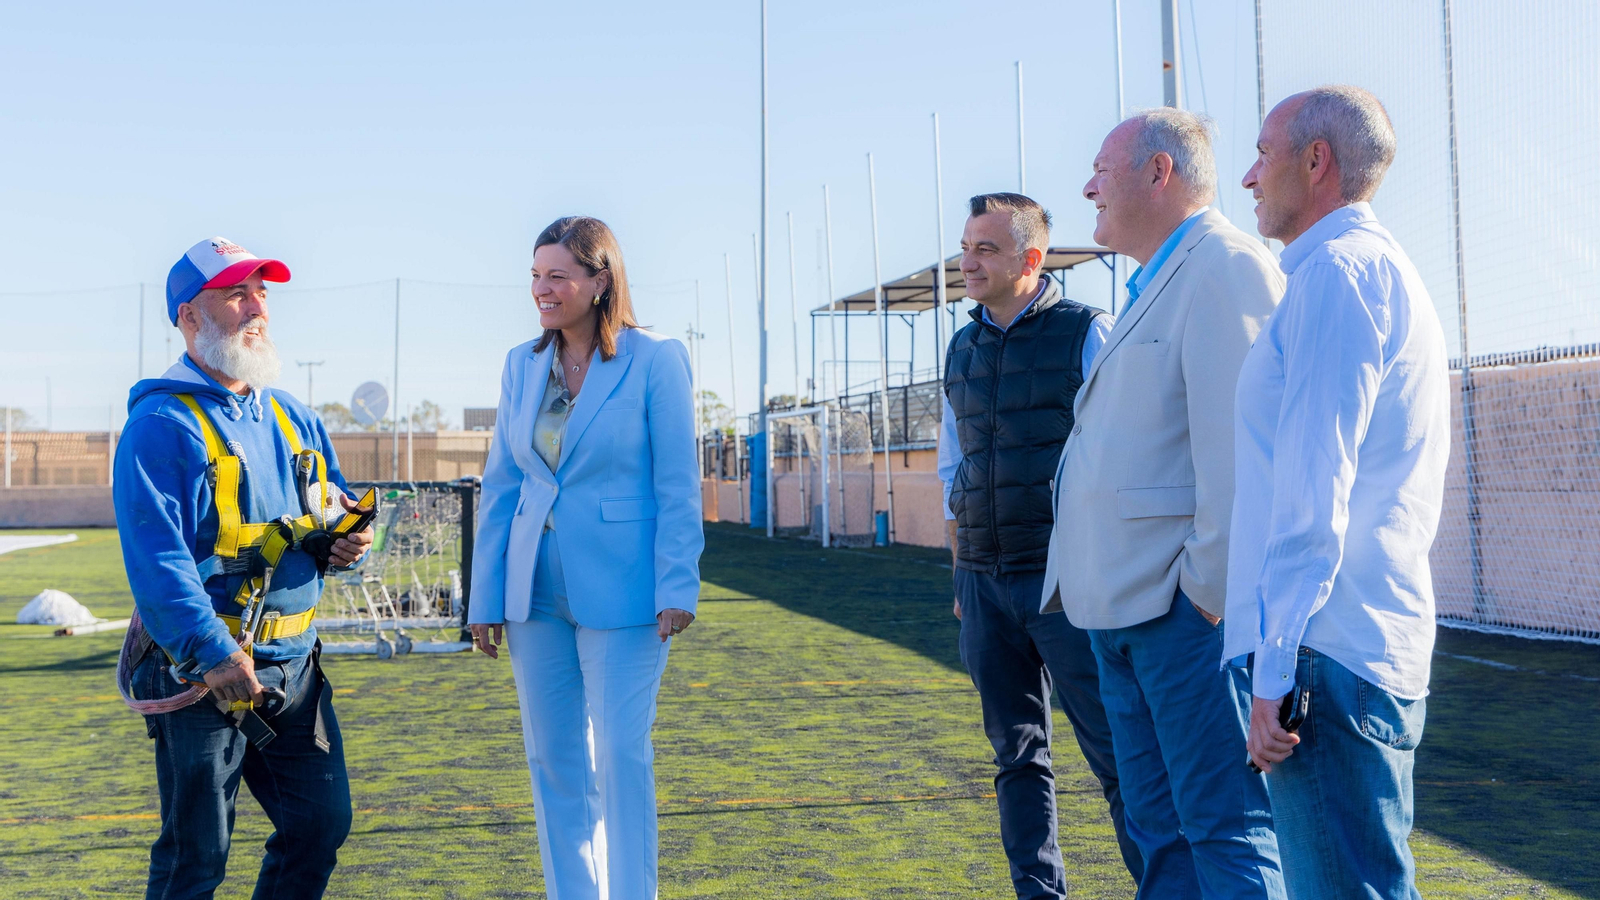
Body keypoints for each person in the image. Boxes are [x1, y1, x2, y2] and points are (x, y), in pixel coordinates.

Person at [1043, 109, 1287, 899]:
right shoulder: (1156, 281)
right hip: (1121, 613)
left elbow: (1243, 459)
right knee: (1159, 832)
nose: (1087, 188)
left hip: (1181, 621)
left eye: (1101, 170)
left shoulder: (1225, 267)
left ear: (1160, 174)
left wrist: (1203, 600)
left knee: (1223, 826)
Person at [1230, 86, 1449, 900]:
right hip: (1347, 647)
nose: (1249, 176)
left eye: (1263, 153)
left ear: (1315, 160)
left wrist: (1274, 672)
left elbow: (1313, 495)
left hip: (1328, 654)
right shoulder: (1362, 272)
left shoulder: (1338, 276)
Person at [114, 237, 373, 898]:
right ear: (189, 316)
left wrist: (341, 544)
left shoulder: (297, 418)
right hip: (203, 674)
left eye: (262, 291)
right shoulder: (161, 425)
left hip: (295, 667)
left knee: (320, 825)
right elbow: (159, 560)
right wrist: (214, 653)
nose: (257, 307)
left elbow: (324, 511)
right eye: (237, 293)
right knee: (197, 856)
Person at [468, 216, 703, 900]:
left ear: (600, 281)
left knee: (623, 757)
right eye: (536, 277)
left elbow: (676, 483)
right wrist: (485, 596)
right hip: (532, 591)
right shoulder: (521, 363)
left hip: (627, 592)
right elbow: (502, 486)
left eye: (558, 276)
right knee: (553, 760)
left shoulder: (656, 359)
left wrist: (677, 582)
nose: (543, 290)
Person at [936, 192, 1138, 898]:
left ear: (1030, 258)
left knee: (1118, 755)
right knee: (1016, 755)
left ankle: (1166, 885)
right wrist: (963, 573)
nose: (968, 261)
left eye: (985, 249)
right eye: (965, 247)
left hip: (1070, 584)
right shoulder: (961, 345)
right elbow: (952, 467)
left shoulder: (1089, 332)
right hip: (986, 585)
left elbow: (1128, 452)